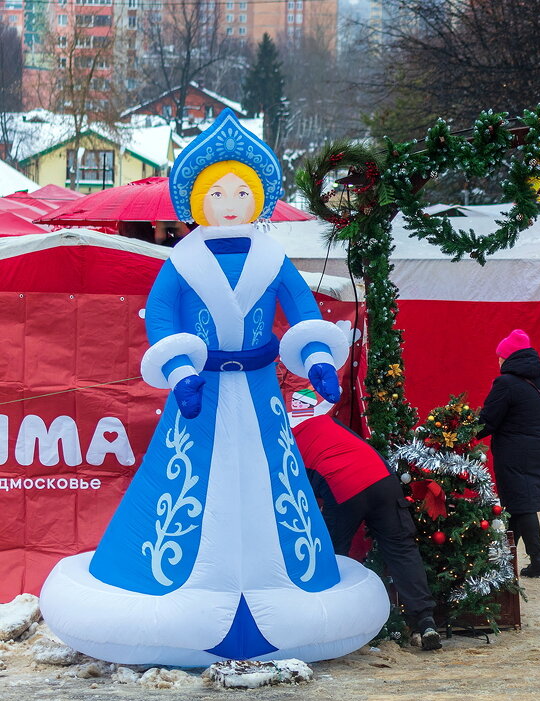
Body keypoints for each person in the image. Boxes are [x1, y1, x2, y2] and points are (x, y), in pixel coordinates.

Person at [38, 110, 389, 666]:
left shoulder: (273, 259)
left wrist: (317, 357)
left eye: (241, 191)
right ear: (198, 200)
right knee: (186, 477)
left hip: (259, 392)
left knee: (272, 477)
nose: (230, 201)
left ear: (258, 198)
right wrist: (180, 373)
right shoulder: (181, 262)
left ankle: (284, 582)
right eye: (218, 191)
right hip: (199, 393)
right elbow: (161, 317)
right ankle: (170, 583)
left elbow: (301, 310)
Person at [292, 413, 442, 651]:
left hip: (343, 488)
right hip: (382, 479)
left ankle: (333, 626)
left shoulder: (285, 444)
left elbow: (298, 497)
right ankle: (425, 621)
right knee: (402, 550)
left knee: (331, 557)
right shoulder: (326, 421)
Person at [480, 329, 540, 579]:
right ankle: (503, 560)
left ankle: (539, 562)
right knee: (516, 506)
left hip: (515, 453)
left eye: (500, 356)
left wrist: (460, 433)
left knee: (523, 506)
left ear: (509, 358)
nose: (498, 361)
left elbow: (488, 421)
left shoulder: (505, 383)